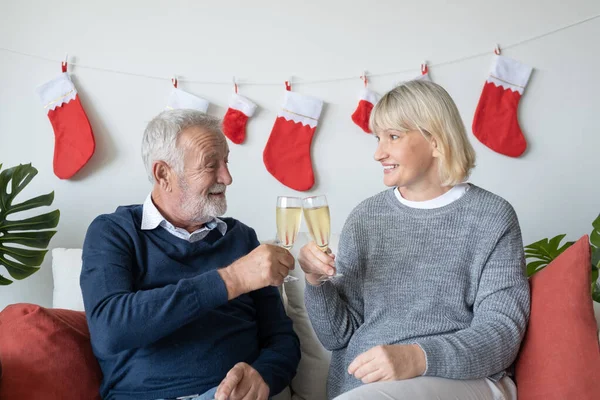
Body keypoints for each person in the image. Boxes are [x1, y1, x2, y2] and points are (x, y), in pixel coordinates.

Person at [298, 80, 530, 400]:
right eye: (378, 138)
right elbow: (338, 336)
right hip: (362, 387)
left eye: (393, 136)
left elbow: (501, 335)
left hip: (460, 378)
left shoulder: (491, 217)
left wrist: (416, 358)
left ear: (435, 141)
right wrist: (315, 281)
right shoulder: (366, 218)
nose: (379, 153)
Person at [80, 109, 300, 400]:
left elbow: (282, 338)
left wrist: (264, 375)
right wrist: (231, 279)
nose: (227, 177)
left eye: (226, 162)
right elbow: (110, 329)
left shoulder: (241, 238)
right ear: (163, 174)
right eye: (211, 165)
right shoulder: (114, 232)